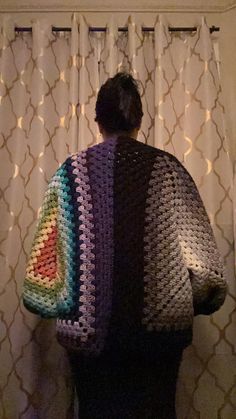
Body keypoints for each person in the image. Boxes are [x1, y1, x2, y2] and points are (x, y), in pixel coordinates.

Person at [23, 72, 227, 418]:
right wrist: (168, 303)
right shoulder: (169, 171)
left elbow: (38, 285)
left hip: (89, 344)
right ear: (140, 120)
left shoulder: (68, 175)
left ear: (97, 120)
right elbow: (208, 276)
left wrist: (80, 302)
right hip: (158, 344)